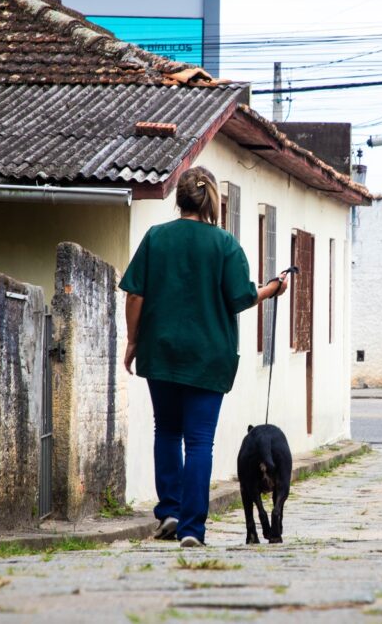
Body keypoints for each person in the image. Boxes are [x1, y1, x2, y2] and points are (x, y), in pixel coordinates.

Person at [119, 166, 288, 548]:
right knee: (198, 443)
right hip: (209, 357)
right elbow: (239, 298)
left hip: (160, 352)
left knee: (166, 431)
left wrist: (133, 340)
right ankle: (192, 530)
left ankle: (171, 512)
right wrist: (270, 289)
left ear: (178, 198)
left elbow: (134, 295)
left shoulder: (156, 238)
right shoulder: (225, 244)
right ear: (211, 199)